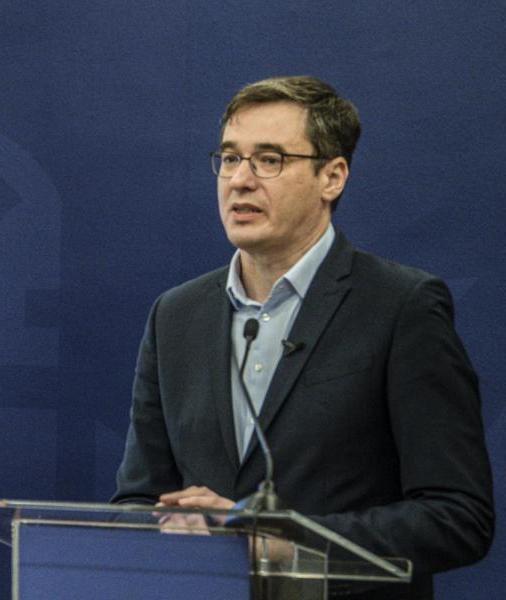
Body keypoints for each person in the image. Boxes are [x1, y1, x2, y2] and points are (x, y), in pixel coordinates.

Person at [112, 75, 493, 599]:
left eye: (269, 160)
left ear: (332, 177)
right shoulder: (175, 315)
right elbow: (136, 500)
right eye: (230, 158)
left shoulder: (401, 306)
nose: (239, 180)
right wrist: (164, 528)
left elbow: (457, 517)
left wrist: (284, 543)